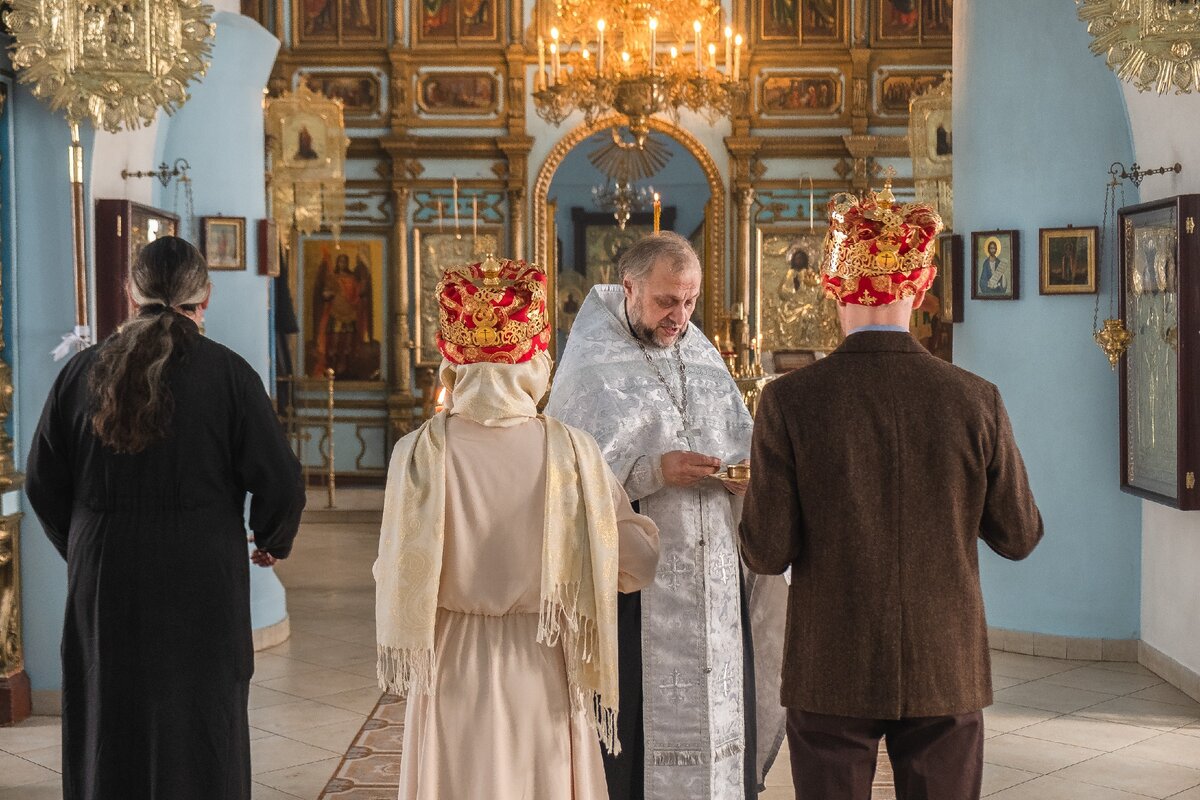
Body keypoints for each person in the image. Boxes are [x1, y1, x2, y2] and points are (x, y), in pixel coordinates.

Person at [739, 178, 1044, 800]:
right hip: (945, 661)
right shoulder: (974, 398)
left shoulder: (790, 401)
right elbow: (1018, 535)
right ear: (922, 286)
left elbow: (767, 551)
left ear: (830, 285)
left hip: (831, 661)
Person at [25, 236, 306, 800]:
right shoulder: (228, 373)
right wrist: (271, 536)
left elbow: (42, 482)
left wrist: (84, 541)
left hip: (104, 570)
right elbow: (280, 478)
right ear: (206, 296)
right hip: (198, 564)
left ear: (130, 292)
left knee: (108, 701)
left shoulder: (80, 372)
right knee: (200, 707)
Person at [374, 256, 660, 800]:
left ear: (453, 364)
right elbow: (637, 564)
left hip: (449, 663)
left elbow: (391, 570)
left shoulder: (416, 455)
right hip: (542, 662)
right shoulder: (572, 454)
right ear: (533, 361)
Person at [545, 231, 782, 799]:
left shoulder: (699, 352)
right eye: (666, 302)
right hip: (637, 586)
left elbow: (738, 437)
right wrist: (652, 471)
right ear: (629, 287)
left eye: (690, 301)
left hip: (716, 577)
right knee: (635, 729)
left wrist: (745, 473)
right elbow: (562, 479)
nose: (680, 316)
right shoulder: (588, 367)